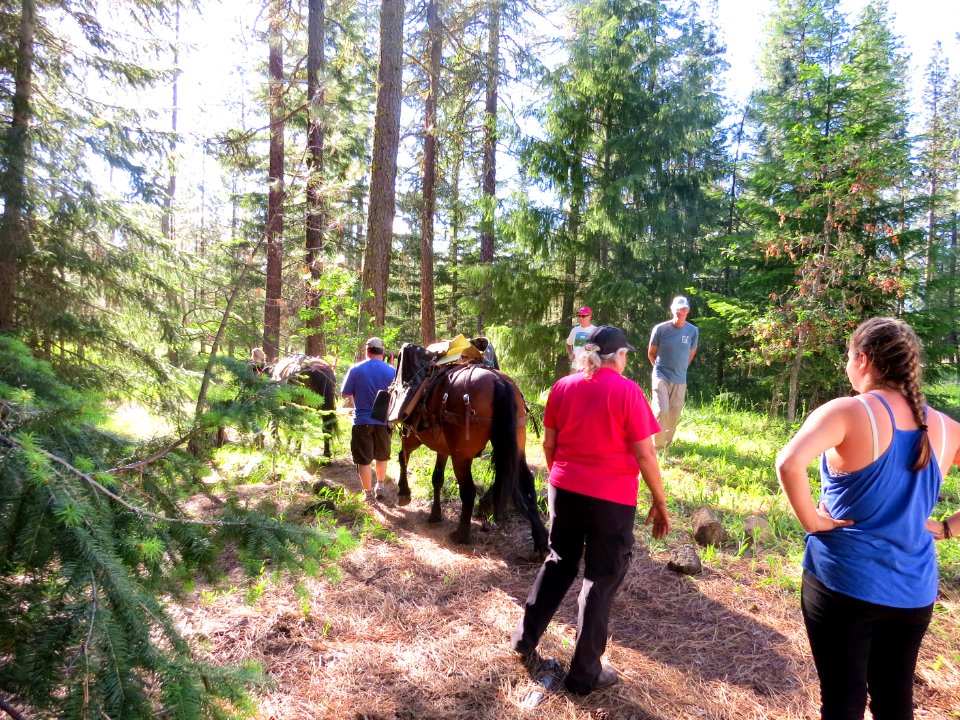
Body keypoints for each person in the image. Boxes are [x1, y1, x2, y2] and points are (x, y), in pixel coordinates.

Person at [775, 317, 960, 720]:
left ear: (863, 360)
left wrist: (813, 522)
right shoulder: (945, 427)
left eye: (847, 358)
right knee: (895, 700)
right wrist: (948, 528)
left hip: (845, 582)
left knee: (843, 699)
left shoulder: (849, 411)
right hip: (914, 590)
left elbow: (789, 463)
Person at [510, 325, 671, 696]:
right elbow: (644, 452)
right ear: (616, 356)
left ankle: (523, 640)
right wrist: (659, 502)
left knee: (557, 563)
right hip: (611, 500)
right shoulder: (628, 391)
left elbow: (549, 443)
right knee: (599, 580)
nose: (627, 360)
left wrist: (561, 478)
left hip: (564, 488)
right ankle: (584, 675)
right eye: (626, 354)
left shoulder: (563, 386)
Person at [341, 337, 397, 503]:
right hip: (383, 420)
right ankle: (380, 485)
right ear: (382, 352)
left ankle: (368, 495)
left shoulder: (355, 369)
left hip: (362, 421)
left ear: (367, 351)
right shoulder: (391, 371)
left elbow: (345, 393)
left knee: (364, 459)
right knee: (381, 456)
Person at [647, 295, 698, 451]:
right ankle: (658, 447)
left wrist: (682, 368)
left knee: (674, 414)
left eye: (683, 308)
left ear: (688, 310)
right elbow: (651, 352)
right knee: (662, 410)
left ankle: (666, 446)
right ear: (672, 309)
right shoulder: (661, 329)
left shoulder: (693, 330)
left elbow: (691, 353)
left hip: (680, 378)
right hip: (661, 376)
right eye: (677, 308)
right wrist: (658, 370)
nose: (680, 311)